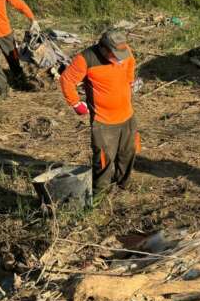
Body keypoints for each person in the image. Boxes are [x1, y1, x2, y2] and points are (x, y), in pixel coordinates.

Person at [59, 29, 140, 194]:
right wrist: (75, 103)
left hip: (127, 115)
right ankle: (100, 192)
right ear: (104, 48)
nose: (119, 60)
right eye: (115, 56)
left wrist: (130, 81)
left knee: (128, 153)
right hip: (103, 121)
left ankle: (123, 184)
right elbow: (67, 80)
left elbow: (130, 62)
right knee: (104, 159)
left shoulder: (123, 50)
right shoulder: (86, 59)